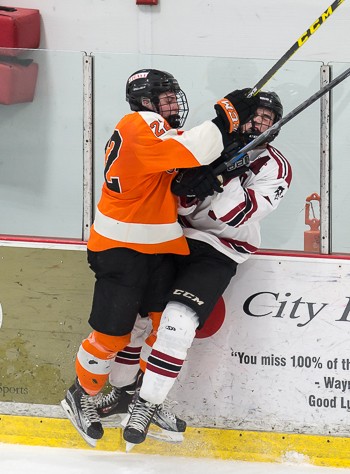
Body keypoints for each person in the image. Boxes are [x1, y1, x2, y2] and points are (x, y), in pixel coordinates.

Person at [60, 68, 259, 447]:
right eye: (165, 97)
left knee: (157, 326)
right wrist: (227, 114)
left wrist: (213, 164)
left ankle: (136, 395)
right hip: (120, 248)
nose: (173, 103)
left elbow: (186, 162)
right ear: (145, 102)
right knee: (110, 337)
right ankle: (80, 395)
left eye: (173, 96)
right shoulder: (139, 123)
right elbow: (193, 148)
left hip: (161, 246)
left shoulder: (158, 131)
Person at [119, 90, 292, 446]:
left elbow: (235, 214)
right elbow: (178, 201)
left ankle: (147, 404)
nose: (259, 122)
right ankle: (122, 392)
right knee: (133, 317)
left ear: (275, 128)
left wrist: (224, 174)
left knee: (178, 323)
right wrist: (196, 180)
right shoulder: (211, 141)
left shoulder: (276, 168)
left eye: (268, 118)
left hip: (221, 249)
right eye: (255, 114)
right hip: (173, 237)